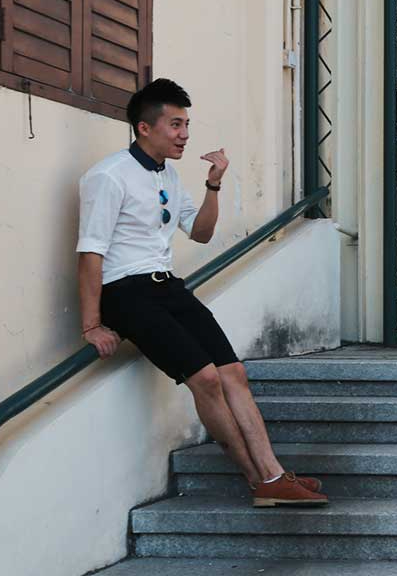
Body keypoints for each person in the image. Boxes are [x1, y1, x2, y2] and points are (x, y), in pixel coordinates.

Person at [77, 78, 327, 507]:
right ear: (144, 127)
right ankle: (260, 480)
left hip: (166, 286)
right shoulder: (108, 176)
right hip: (125, 292)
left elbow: (200, 232)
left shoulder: (168, 175)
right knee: (206, 378)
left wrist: (214, 185)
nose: (184, 135)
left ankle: (274, 474)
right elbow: (90, 252)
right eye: (175, 125)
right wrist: (92, 324)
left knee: (234, 373)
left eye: (186, 125)